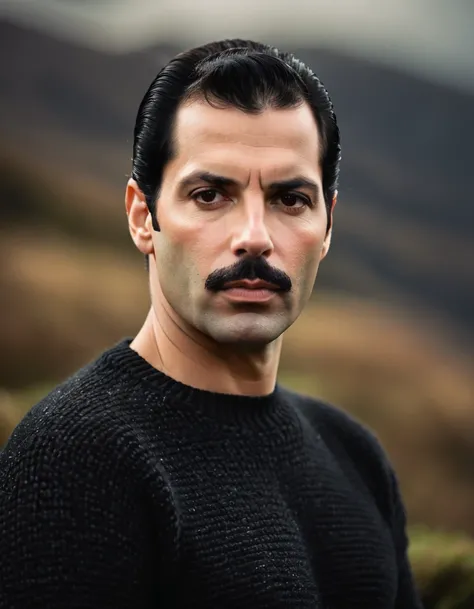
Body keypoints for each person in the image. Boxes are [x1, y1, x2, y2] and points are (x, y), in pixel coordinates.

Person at [0, 39, 422, 608]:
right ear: (142, 217)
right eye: (210, 194)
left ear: (327, 226)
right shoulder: (75, 460)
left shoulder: (356, 456)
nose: (254, 235)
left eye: (290, 199)